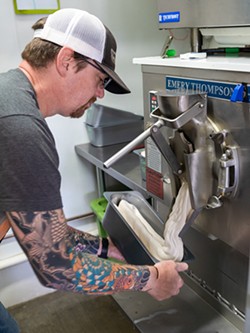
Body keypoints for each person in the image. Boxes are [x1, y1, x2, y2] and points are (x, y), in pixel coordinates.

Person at [0, 8, 188, 332]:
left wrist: (105, 248)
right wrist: (152, 279)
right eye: (100, 80)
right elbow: (56, 266)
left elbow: (44, 230)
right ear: (66, 60)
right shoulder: (21, 129)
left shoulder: (11, 96)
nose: (100, 94)